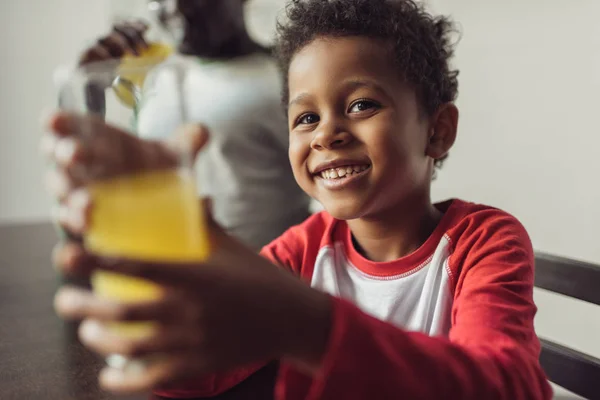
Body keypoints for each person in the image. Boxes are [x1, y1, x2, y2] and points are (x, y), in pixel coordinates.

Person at [44, 0, 554, 399]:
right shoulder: (302, 250)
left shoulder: (483, 243)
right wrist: (160, 291)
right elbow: (199, 377)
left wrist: (309, 325)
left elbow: (508, 387)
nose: (325, 133)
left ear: (437, 132)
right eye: (305, 117)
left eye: (360, 105)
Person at [75, 0, 311, 250]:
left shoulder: (292, 73)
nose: (174, 7)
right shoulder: (154, 78)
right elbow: (113, 182)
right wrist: (90, 93)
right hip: (169, 269)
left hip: (268, 275)